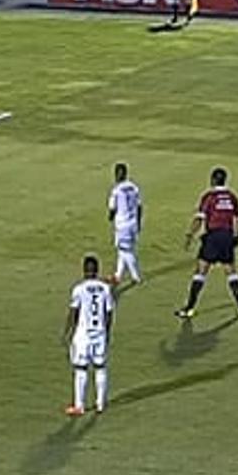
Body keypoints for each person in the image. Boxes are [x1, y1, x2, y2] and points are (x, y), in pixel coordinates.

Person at [176, 167, 238, 319]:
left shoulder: (209, 197)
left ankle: (189, 309)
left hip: (213, 237)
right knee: (231, 272)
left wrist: (190, 235)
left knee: (200, 272)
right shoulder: (232, 196)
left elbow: (199, 219)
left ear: (213, 180)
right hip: (227, 237)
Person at [63, 254, 114, 416]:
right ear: (97, 270)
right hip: (99, 333)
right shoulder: (105, 288)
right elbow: (109, 313)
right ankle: (100, 404)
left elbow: (73, 313)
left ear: (84, 270)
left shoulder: (79, 289)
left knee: (81, 368)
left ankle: (80, 405)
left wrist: (67, 332)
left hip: (83, 335)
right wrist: (106, 331)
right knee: (100, 367)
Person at [107, 163, 143, 285]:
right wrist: (138, 223)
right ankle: (118, 275)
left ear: (117, 174)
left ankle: (135, 276)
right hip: (133, 223)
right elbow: (139, 206)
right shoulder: (134, 187)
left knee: (125, 251)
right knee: (124, 249)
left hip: (122, 225)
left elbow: (112, 209)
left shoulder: (116, 190)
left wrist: (110, 217)